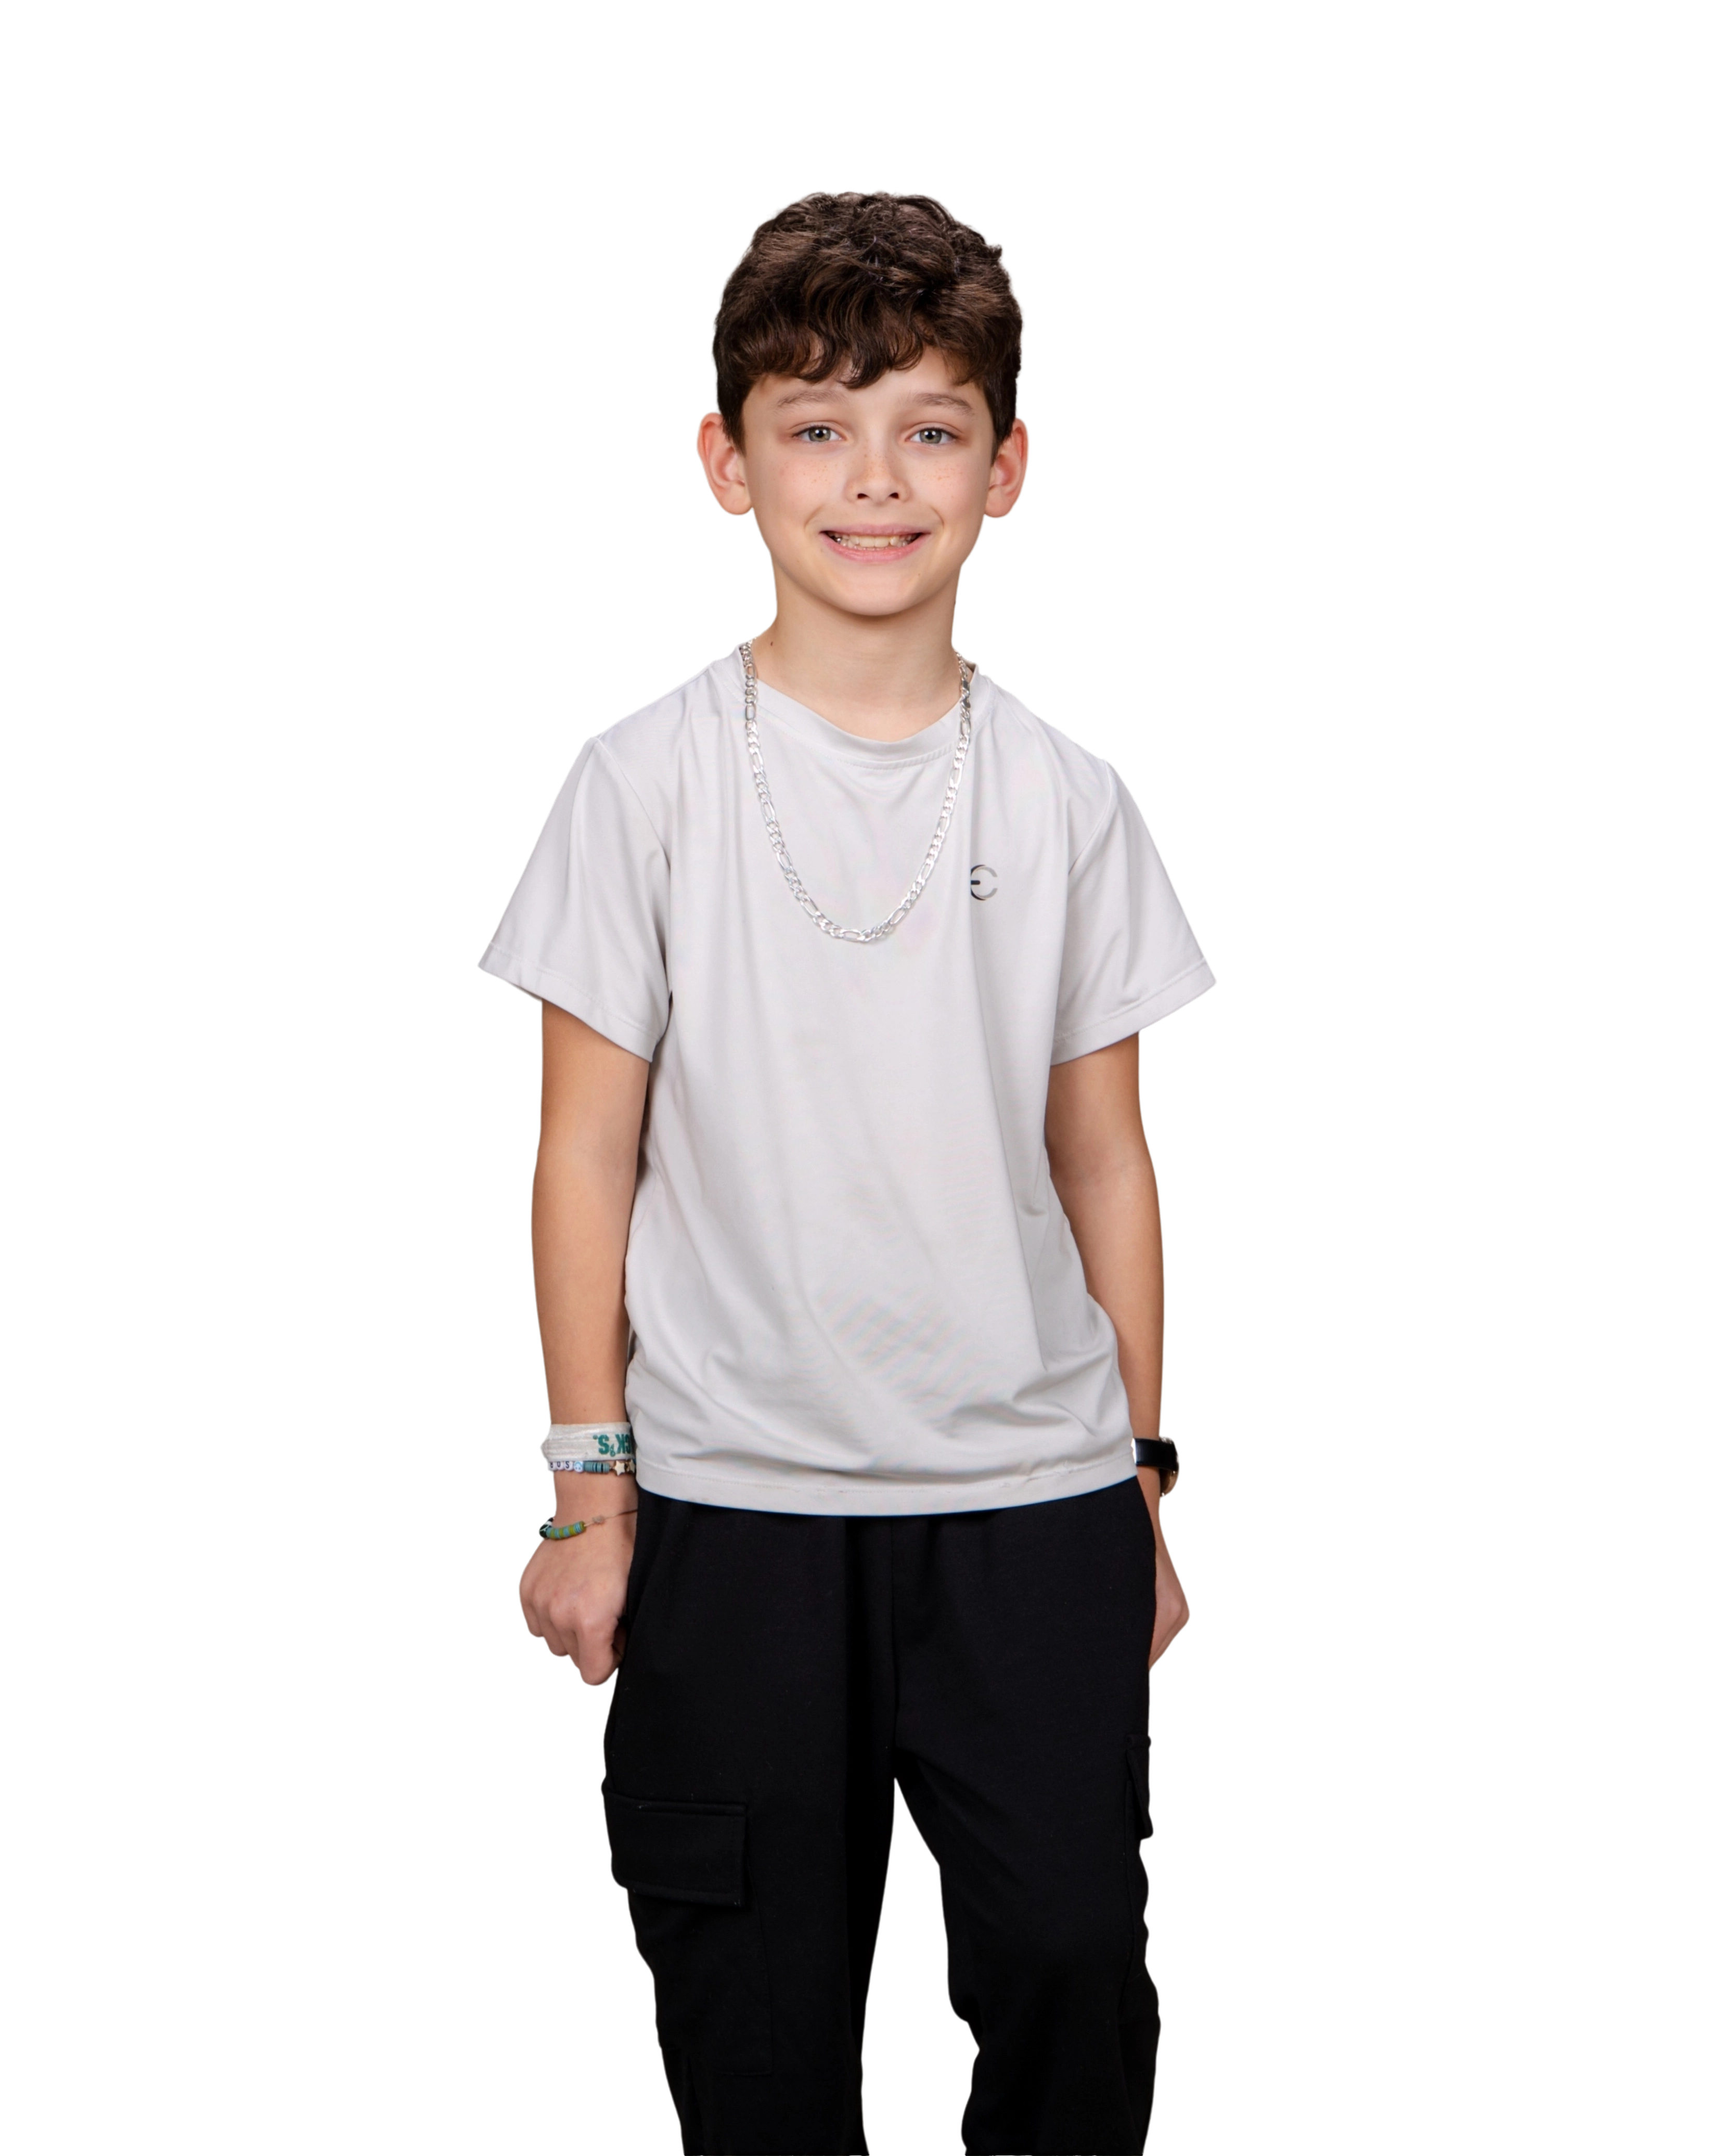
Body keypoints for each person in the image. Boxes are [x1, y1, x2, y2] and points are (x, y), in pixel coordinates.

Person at [475, 186, 1216, 2156]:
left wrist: (1143, 1482)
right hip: (734, 1509)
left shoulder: (1069, 801)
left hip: (1033, 1506)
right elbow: (583, 1151)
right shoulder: (641, 782)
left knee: (1070, 1963)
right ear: (728, 463)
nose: (872, 479)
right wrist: (587, 1490)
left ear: (1006, 468)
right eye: (816, 425)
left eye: (928, 428)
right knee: (756, 2028)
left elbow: (1107, 1164)